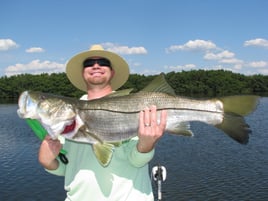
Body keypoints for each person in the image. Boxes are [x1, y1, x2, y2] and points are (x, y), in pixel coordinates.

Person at [38, 44, 167, 201]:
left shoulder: (136, 107)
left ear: (112, 72)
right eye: (89, 63)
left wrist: (147, 145)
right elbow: (68, 169)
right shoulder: (64, 115)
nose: (96, 66)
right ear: (82, 72)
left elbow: (136, 160)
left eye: (103, 62)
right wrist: (47, 162)